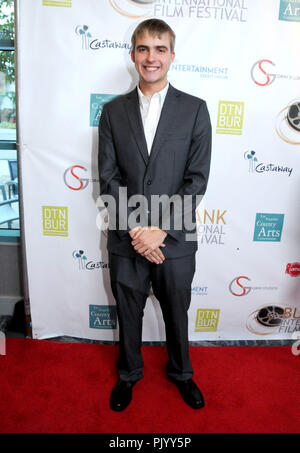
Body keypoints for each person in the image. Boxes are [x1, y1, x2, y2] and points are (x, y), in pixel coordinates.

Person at [98, 18, 211, 411]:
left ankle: (182, 374)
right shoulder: (112, 112)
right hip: (126, 240)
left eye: (160, 49)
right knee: (128, 312)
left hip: (174, 239)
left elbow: (196, 180)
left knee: (176, 313)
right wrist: (137, 232)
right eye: (144, 49)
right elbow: (108, 177)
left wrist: (159, 230)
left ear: (172, 56)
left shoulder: (195, 110)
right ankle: (128, 374)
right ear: (133, 55)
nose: (151, 57)